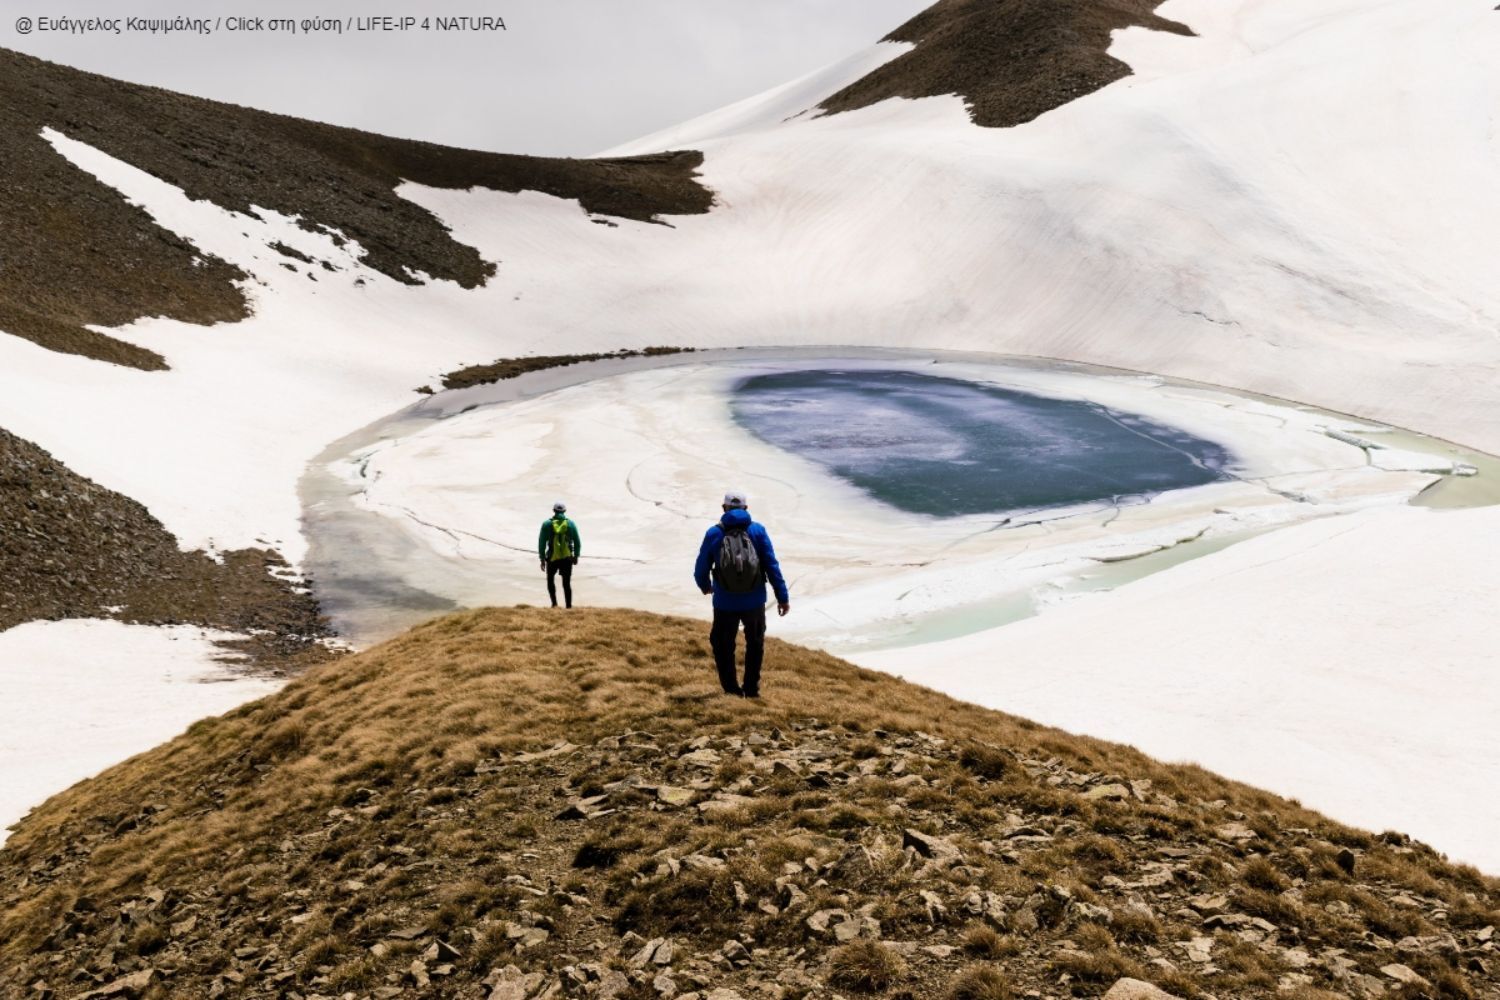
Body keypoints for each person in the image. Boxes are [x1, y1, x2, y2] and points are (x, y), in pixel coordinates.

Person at [693, 490, 789, 698]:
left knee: (722, 645)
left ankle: (731, 690)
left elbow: (701, 566)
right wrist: (782, 597)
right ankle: (752, 690)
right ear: (746, 509)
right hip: (754, 601)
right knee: (755, 644)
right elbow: (772, 566)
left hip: (724, 602)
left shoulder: (714, 533)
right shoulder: (758, 531)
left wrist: (705, 585)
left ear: (724, 508)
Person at [539, 501, 581, 608]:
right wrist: (576, 556)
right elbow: (577, 542)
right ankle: (568, 606)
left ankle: (554, 604)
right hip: (567, 558)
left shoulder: (547, 524)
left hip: (552, 557)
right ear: (565, 511)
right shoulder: (570, 524)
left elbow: (542, 543)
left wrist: (542, 559)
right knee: (566, 583)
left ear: (554, 511)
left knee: (550, 580)